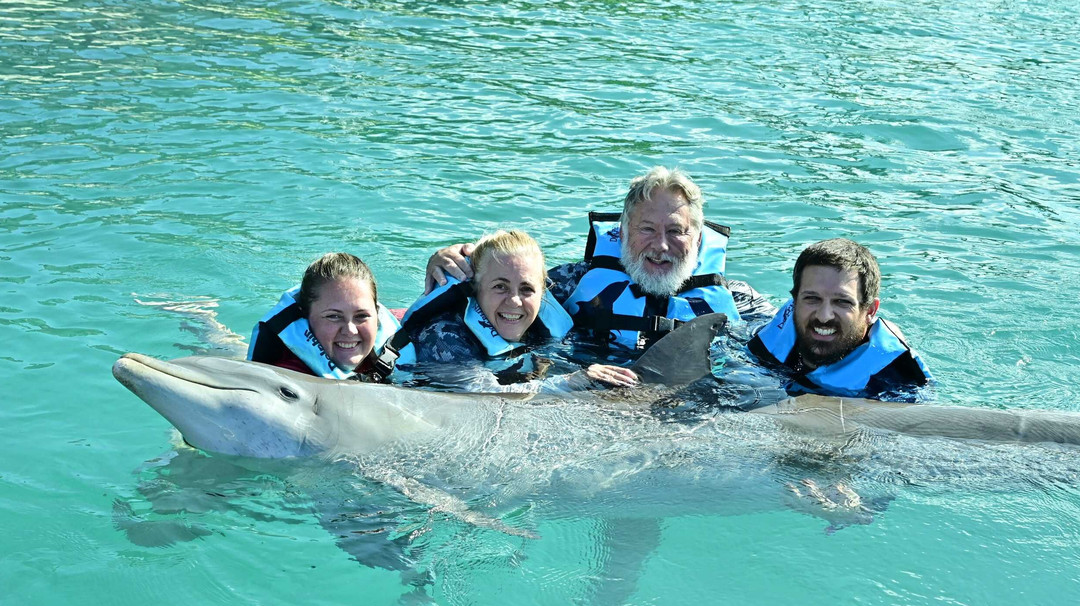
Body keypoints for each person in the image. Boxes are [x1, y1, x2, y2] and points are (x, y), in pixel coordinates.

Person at [425, 167, 775, 380]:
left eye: (676, 231)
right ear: (622, 233)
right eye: (647, 229)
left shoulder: (741, 301)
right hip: (588, 391)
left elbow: (791, 345)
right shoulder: (573, 282)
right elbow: (501, 285)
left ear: (697, 239)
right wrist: (451, 264)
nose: (661, 246)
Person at [396, 230, 635, 389]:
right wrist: (569, 383)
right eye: (500, 286)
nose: (515, 301)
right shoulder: (444, 336)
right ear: (475, 289)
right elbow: (480, 395)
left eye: (527, 289)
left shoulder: (550, 312)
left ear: (543, 292)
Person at [746, 238, 932, 401]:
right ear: (795, 301)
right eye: (812, 298)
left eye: (842, 302)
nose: (824, 316)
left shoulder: (895, 383)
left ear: (870, 310)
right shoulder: (769, 343)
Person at [248, 252, 401, 382]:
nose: (350, 330)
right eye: (333, 316)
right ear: (306, 317)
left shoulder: (408, 334)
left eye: (361, 315)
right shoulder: (291, 377)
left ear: (377, 314)